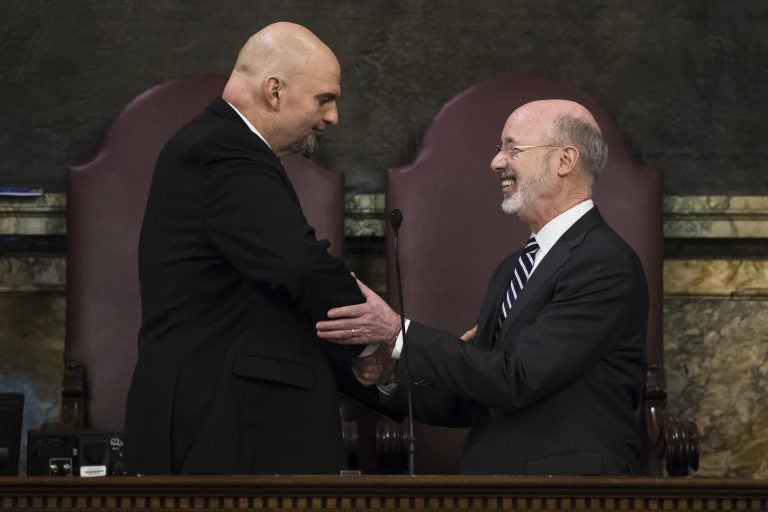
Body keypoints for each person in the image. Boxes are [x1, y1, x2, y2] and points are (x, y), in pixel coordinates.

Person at [316, 99, 648, 476]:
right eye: (499, 148)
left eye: (512, 148)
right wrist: (384, 375)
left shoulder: (603, 263)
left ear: (565, 160)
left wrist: (397, 332)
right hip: (493, 488)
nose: (496, 162)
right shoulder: (513, 268)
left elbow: (518, 378)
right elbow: (474, 398)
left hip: (570, 493)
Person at [124, 22, 371, 475]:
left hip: (230, 424)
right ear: (274, 91)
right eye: (325, 98)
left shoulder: (220, 146)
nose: (333, 116)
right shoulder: (223, 149)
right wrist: (380, 339)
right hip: (225, 430)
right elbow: (300, 264)